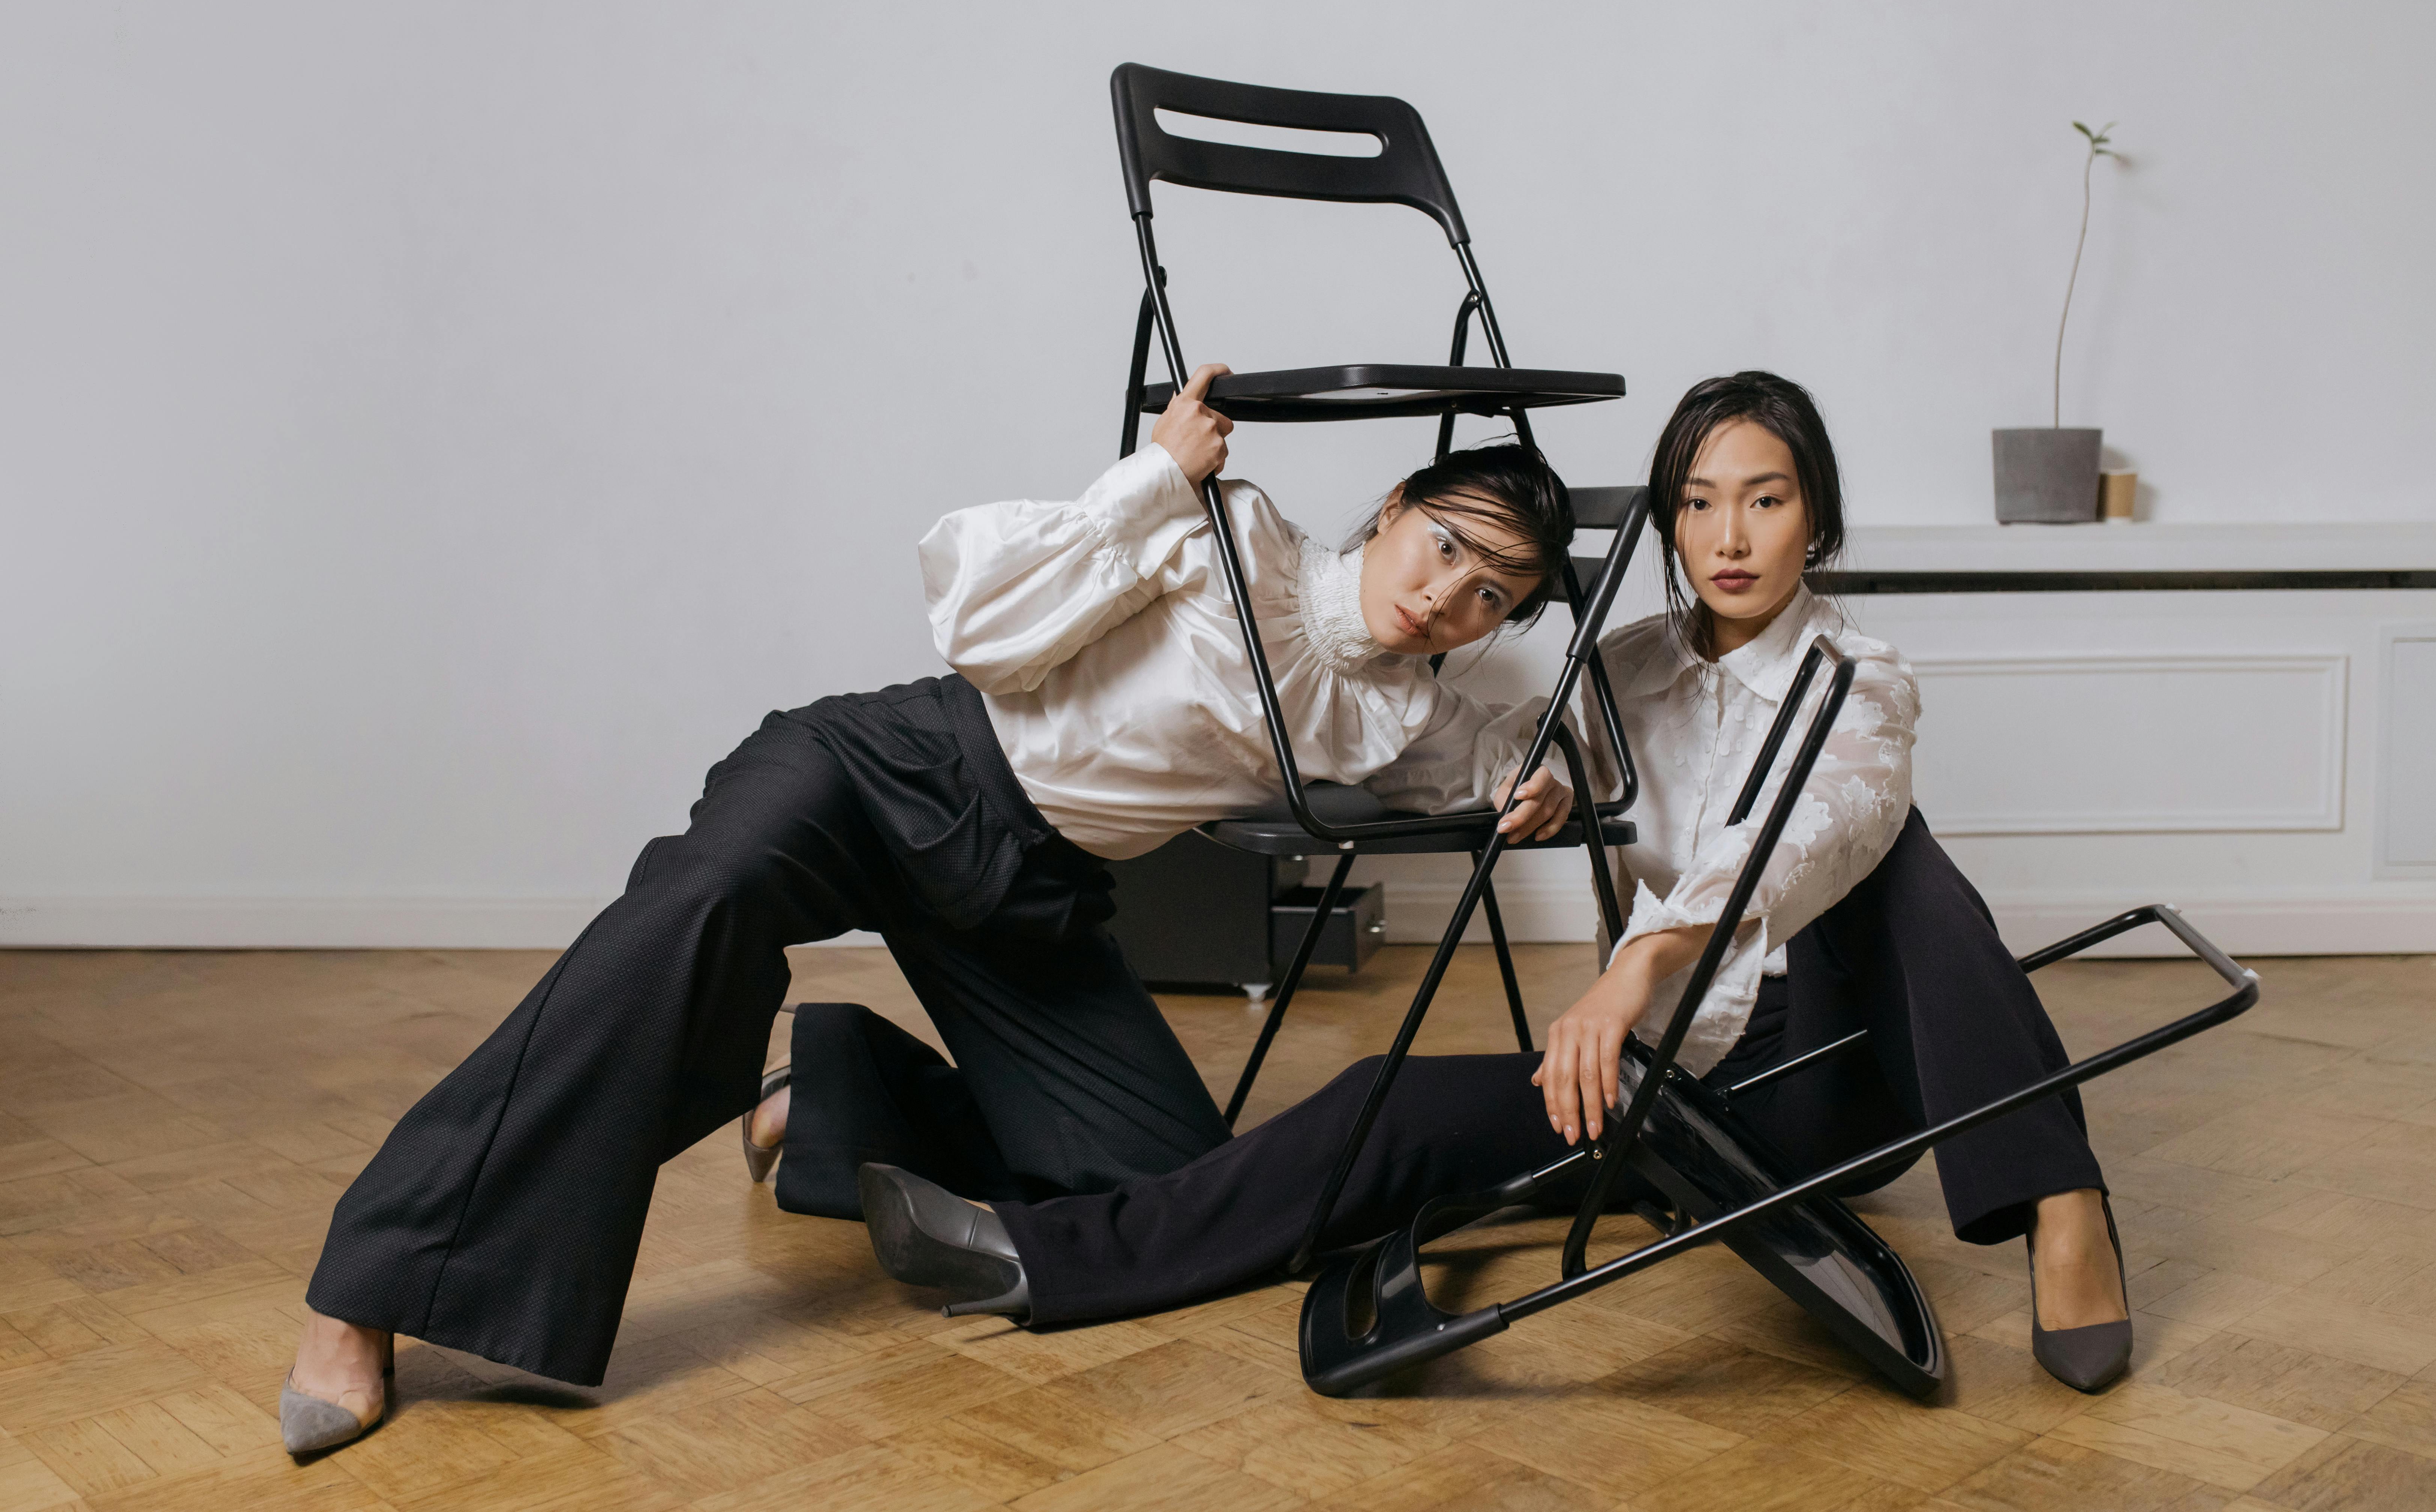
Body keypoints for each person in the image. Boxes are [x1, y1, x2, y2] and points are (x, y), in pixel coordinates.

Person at [278, 364, 1590, 1454]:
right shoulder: (1225, 529)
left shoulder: (1396, 708)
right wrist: (1150, 483)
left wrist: (1544, 783)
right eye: (1448, 547)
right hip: (890, 772)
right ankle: (372, 1285)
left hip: (1031, 891)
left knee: (1164, 1188)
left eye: (1493, 595)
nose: (1445, 597)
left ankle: (835, 1086)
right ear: (1401, 504)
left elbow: (1507, 755)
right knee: (691, 916)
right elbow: (981, 626)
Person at [858, 371, 2137, 1395]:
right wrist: (1543, 789)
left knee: (1895, 853)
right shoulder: (1624, 667)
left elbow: (1819, 826)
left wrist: (1640, 961)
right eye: (1695, 504)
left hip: (1833, 1074)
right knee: (1384, 1103)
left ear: (1819, 519)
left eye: (1764, 501)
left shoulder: (1862, 676)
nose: (1727, 538)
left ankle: (2059, 1201)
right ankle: (1039, 1258)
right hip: (1657, 1076)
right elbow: (1528, 762)